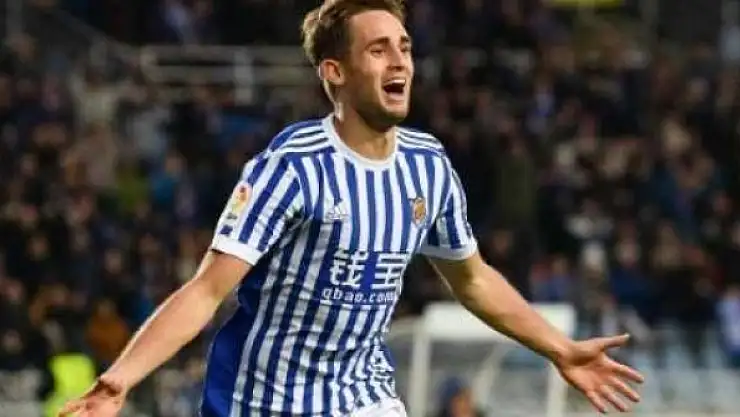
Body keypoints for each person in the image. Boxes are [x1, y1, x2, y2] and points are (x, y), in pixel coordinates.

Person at [59, 1, 644, 416]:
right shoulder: (291, 167)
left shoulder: (428, 165)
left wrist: (559, 349)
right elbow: (207, 291)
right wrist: (118, 381)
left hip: (362, 396)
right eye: (378, 50)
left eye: (405, 48)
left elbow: (473, 280)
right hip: (264, 402)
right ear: (335, 73)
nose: (400, 62)